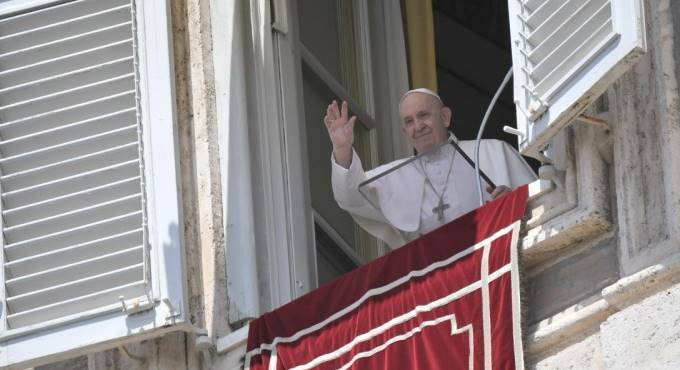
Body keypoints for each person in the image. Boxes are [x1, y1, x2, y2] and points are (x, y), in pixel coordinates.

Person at [325, 88, 536, 249]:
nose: (418, 126)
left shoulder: (493, 151)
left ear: (445, 117)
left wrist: (515, 202)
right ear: (404, 131)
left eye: (423, 115)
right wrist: (342, 149)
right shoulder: (396, 175)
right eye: (409, 122)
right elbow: (351, 197)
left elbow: (543, 201)